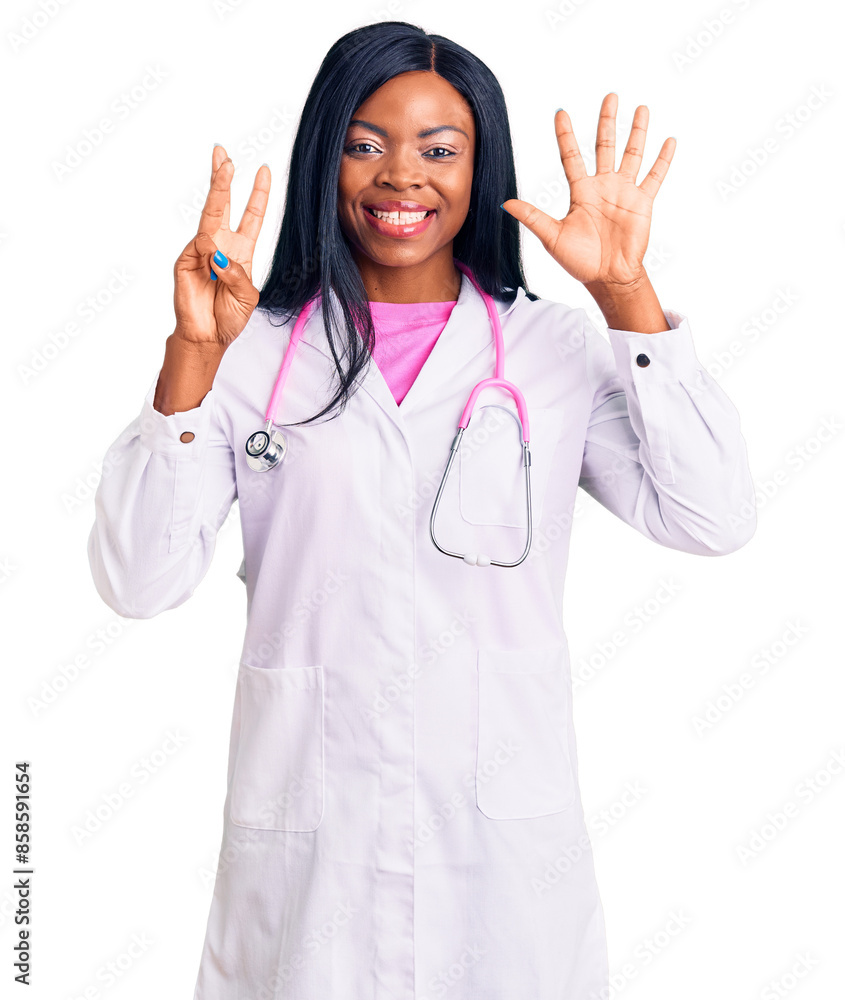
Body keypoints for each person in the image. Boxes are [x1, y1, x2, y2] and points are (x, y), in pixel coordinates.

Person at [87, 19, 756, 1000]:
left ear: (480, 167)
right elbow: (138, 580)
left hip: (498, 857)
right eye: (366, 143)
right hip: (311, 855)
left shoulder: (553, 352)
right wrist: (191, 355)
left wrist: (624, 292)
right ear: (327, 156)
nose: (402, 177)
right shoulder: (249, 350)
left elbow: (713, 515)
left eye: (439, 149)